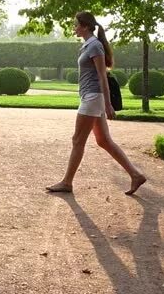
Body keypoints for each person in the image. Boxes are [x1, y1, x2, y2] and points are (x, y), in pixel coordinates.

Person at [46, 12, 147, 195]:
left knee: (78, 140)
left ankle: (67, 182)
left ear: (85, 26)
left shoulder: (94, 46)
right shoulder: (88, 45)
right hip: (92, 97)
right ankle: (135, 174)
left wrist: (107, 104)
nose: (74, 27)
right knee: (103, 140)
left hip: (93, 98)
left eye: (76, 24)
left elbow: (102, 76)